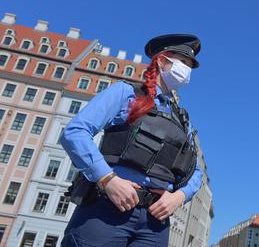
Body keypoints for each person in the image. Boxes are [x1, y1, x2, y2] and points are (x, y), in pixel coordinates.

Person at [60, 34, 204, 247]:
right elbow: (75, 131)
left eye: (190, 66)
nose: (186, 70)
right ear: (162, 60)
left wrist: (179, 197)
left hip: (155, 221)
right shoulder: (126, 93)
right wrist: (108, 179)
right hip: (108, 208)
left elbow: (195, 171)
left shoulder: (182, 120)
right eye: (183, 62)